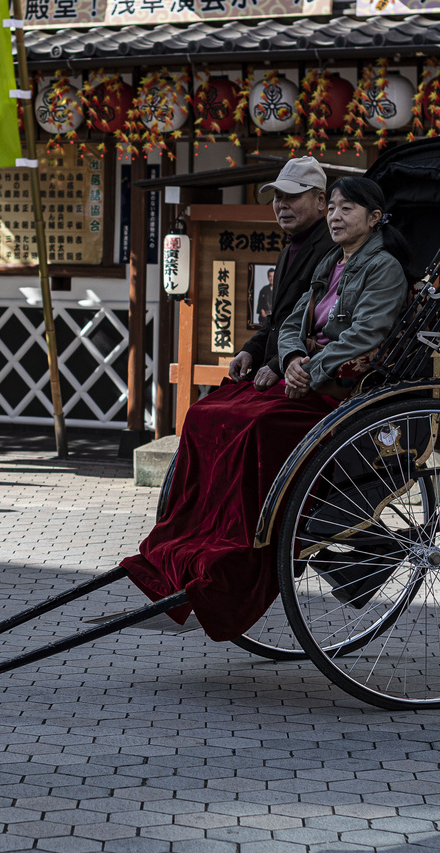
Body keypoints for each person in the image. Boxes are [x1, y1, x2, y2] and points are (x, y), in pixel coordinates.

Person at [125, 177, 414, 638]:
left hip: (341, 388)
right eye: (334, 209)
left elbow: (366, 334)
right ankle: (195, 533)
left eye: (347, 210)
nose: (336, 217)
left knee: (256, 425)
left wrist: (311, 368)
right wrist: (292, 358)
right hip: (305, 374)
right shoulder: (332, 261)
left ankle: (238, 548)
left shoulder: (383, 268)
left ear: (375, 218)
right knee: (207, 413)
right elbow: (292, 321)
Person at [228, 157, 338, 389]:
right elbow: (277, 321)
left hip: (304, 374)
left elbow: (323, 328)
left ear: (321, 200)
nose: (282, 205)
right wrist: (249, 350)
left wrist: (280, 364)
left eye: (293, 197)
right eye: (278, 197)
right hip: (271, 368)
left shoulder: (333, 248)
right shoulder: (287, 252)